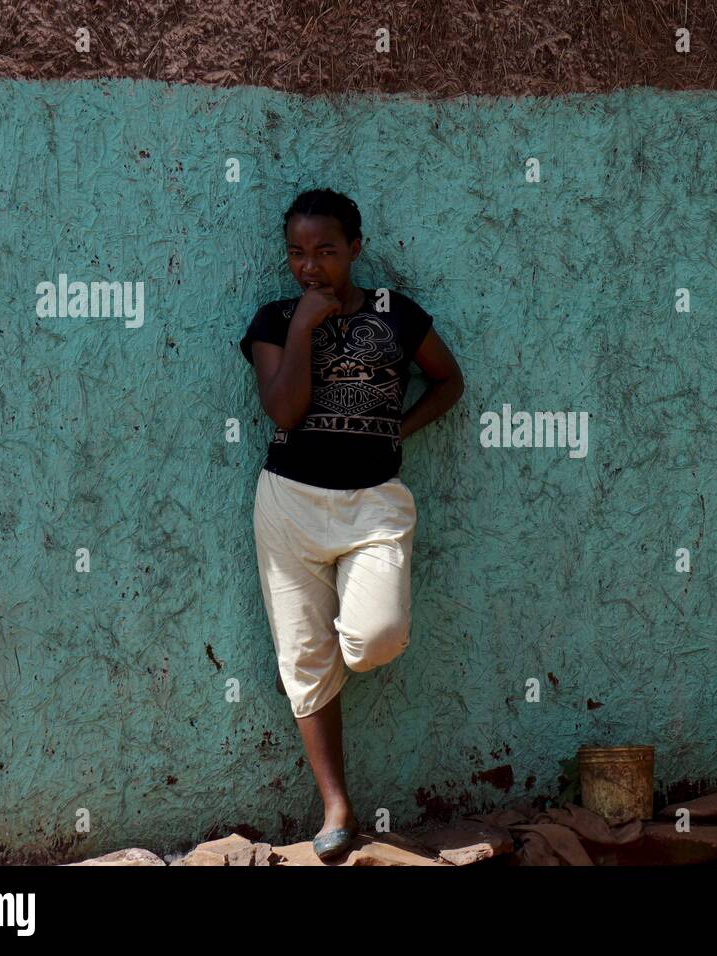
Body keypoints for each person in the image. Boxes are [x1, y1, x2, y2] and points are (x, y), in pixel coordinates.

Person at [238, 187, 464, 860]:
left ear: (355, 248)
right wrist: (306, 324)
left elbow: (449, 381)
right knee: (304, 660)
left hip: (373, 503)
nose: (311, 267)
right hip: (289, 502)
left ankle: (342, 642)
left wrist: (401, 429)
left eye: (327, 251)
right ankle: (337, 808)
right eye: (298, 253)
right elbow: (283, 412)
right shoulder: (275, 320)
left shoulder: (397, 313)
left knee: (375, 639)